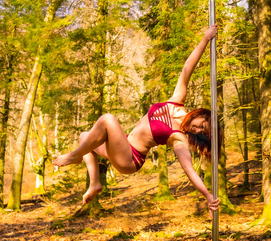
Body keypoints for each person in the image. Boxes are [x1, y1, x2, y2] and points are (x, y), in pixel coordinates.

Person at [53, 24, 221, 212]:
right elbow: (187, 67)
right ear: (201, 114)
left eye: (201, 132)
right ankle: (94, 183)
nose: (197, 129)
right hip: (123, 145)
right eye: (202, 125)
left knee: (108, 119)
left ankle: (74, 156)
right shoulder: (176, 101)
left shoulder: (179, 138)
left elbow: (189, 170)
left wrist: (207, 195)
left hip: (130, 159)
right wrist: (205, 39)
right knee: (85, 137)